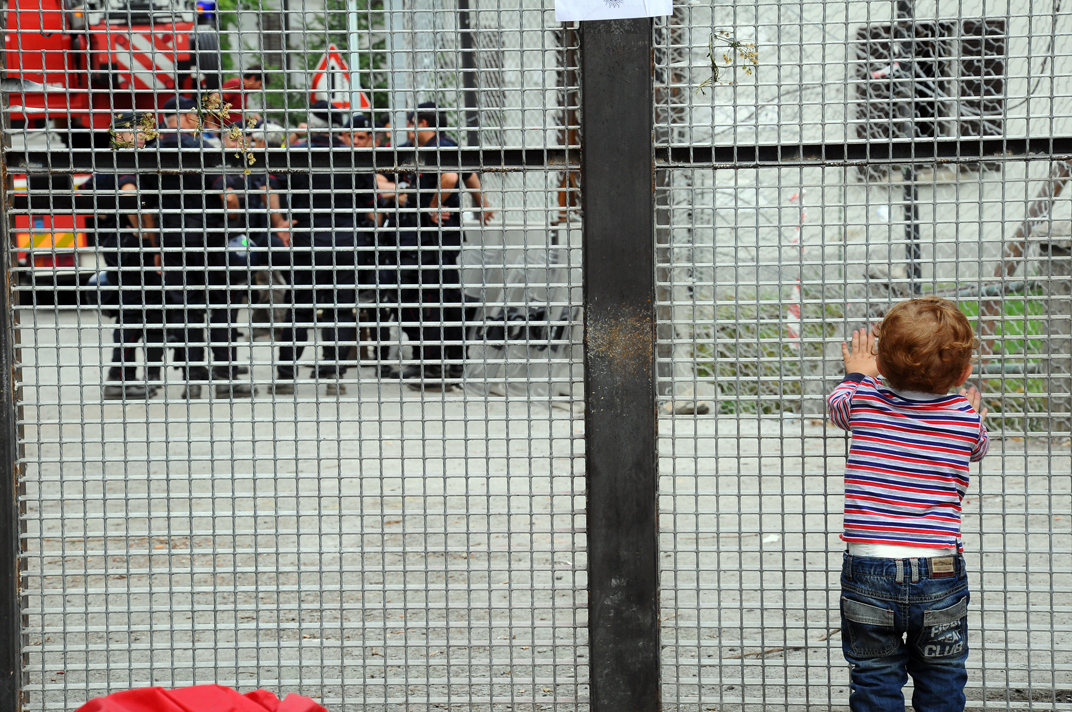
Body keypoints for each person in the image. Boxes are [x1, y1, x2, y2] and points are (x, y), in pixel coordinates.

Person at [827, 297, 990, 712]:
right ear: (964, 373)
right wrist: (971, 417)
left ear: (881, 365)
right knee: (942, 672)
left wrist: (857, 373)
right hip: (938, 569)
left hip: (869, 568)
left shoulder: (863, 399)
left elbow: (836, 406)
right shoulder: (964, 417)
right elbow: (978, 447)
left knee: (874, 675)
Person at [155, 97, 255, 398]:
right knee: (222, 307)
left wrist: (155, 245)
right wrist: (233, 219)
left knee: (186, 309)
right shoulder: (202, 149)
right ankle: (226, 378)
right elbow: (228, 196)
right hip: (210, 242)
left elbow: (144, 206)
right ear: (188, 117)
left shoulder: (152, 153)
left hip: (173, 242)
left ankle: (193, 380)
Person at [273, 102, 375, 395]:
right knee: (340, 309)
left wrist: (280, 223)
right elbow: (371, 206)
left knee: (300, 308)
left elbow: (270, 185)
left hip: (308, 239)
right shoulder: (353, 157)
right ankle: (334, 376)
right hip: (346, 240)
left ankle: (285, 376)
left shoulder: (295, 153)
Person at [393, 102, 494, 386]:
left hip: (434, 235)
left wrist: (434, 205)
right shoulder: (433, 148)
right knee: (444, 295)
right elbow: (468, 175)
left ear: (422, 123)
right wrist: (482, 203)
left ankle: (435, 365)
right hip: (433, 235)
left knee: (433, 298)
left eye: (410, 123)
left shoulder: (440, 147)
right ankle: (451, 361)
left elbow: (450, 177)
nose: (408, 129)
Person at [85, 112, 165, 399]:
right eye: (137, 131)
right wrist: (147, 234)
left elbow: (89, 196)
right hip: (132, 247)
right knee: (135, 310)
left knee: (136, 309)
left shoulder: (103, 164)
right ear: (119, 135)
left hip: (115, 243)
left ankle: (131, 376)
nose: (144, 136)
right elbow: (130, 195)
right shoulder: (125, 162)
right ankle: (119, 378)